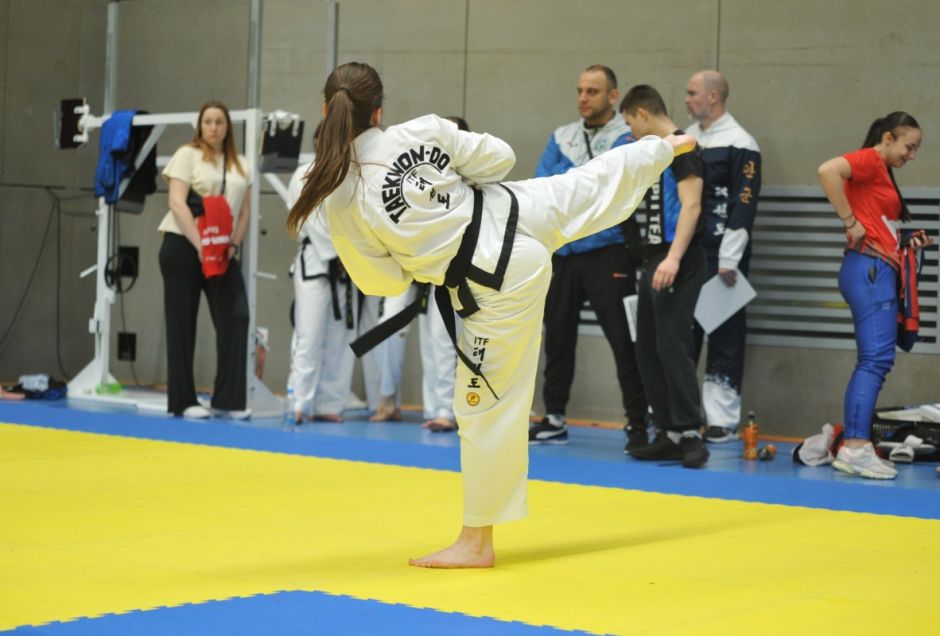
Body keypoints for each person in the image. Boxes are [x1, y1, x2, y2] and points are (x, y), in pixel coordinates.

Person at [286, 62, 693, 568]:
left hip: (498, 280)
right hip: (516, 208)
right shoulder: (424, 130)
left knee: (482, 409)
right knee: (584, 185)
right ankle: (664, 147)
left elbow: (382, 284)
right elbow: (501, 159)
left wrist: (416, 250)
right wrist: (451, 184)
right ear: (379, 111)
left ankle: (476, 543)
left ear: (327, 110)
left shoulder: (342, 194)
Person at [528, 64, 648, 447]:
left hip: (608, 252)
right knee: (557, 338)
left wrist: (572, 183)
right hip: (563, 254)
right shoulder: (561, 136)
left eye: (592, 91)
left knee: (624, 341)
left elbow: (614, 189)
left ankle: (637, 423)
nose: (583, 98)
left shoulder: (627, 136)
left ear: (613, 96)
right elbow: (543, 186)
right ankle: (554, 417)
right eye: (580, 90)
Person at [818, 111, 928, 479]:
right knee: (874, 360)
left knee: (875, 360)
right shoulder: (869, 159)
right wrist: (849, 222)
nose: (912, 155)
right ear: (888, 139)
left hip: (873, 268)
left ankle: (856, 445)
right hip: (870, 269)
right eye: (909, 147)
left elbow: (878, 223)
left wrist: (906, 242)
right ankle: (855, 447)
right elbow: (827, 170)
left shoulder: (878, 170)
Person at [619, 85, 708, 467]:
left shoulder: (683, 147)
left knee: (672, 343)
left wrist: (673, 259)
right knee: (648, 348)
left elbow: (692, 206)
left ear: (642, 114)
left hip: (679, 256)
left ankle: (689, 431)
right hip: (654, 257)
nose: (632, 132)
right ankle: (668, 431)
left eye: (631, 123)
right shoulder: (658, 152)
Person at [159, 100, 251, 420]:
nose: (213, 127)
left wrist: (233, 245)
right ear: (200, 126)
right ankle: (182, 401)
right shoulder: (187, 155)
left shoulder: (241, 164)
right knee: (182, 324)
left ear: (227, 128)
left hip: (223, 250)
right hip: (184, 244)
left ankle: (228, 400)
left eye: (219, 122)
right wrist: (200, 246)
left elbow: (244, 212)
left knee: (237, 316)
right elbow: (177, 203)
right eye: (208, 121)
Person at [685, 70, 761, 443]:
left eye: (692, 93)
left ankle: (721, 419)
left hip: (723, 254)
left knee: (724, 334)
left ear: (712, 97)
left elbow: (743, 204)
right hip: (688, 251)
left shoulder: (741, 142)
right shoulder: (687, 138)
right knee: (684, 331)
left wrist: (729, 259)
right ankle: (682, 413)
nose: (686, 99)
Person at [284, 149, 357, 424]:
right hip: (316, 262)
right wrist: (339, 250)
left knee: (340, 338)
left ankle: (329, 403)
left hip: (345, 266)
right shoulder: (304, 174)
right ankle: (298, 402)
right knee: (309, 336)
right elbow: (304, 218)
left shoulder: (352, 174)